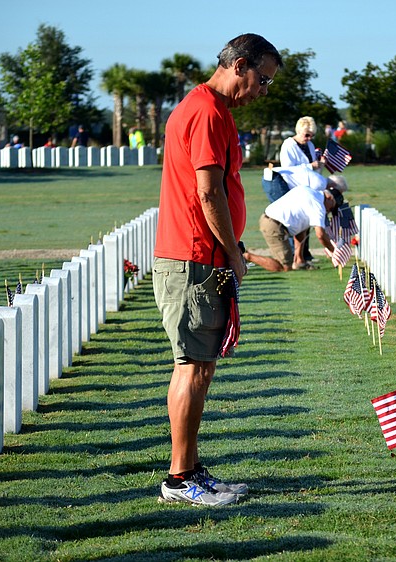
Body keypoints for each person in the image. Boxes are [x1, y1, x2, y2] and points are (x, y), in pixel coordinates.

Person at [152, 33, 282, 506]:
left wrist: (232, 250)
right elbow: (209, 194)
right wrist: (233, 252)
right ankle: (179, 479)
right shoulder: (206, 110)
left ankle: (191, 470)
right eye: (262, 80)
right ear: (240, 65)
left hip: (206, 257)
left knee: (203, 366)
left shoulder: (216, 111)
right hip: (193, 258)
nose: (263, 90)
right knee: (190, 366)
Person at [243, 184, 343, 272]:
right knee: (284, 267)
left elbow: (301, 228)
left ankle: (299, 261)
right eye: (332, 208)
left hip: (271, 220)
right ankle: (247, 256)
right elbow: (320, 235)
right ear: (330, 197)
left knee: (288, 262)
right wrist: (334, 252)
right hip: (274, 224)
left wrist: (299, 258)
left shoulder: (307, 190)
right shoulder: (318, 206)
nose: (329, 211)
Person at [278, 116, 327, 263]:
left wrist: (319, 165)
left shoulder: (310, 146)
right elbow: (287, 169)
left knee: (307, 221)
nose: (309, 138)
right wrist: (310, 166)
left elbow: (313, 169)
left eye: (312, 135)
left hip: (307, 188)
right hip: (292, 187)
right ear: (299, 131)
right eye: (306, 135)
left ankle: (305, 254)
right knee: (296, 223)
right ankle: (296, 255)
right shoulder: (288, 145)